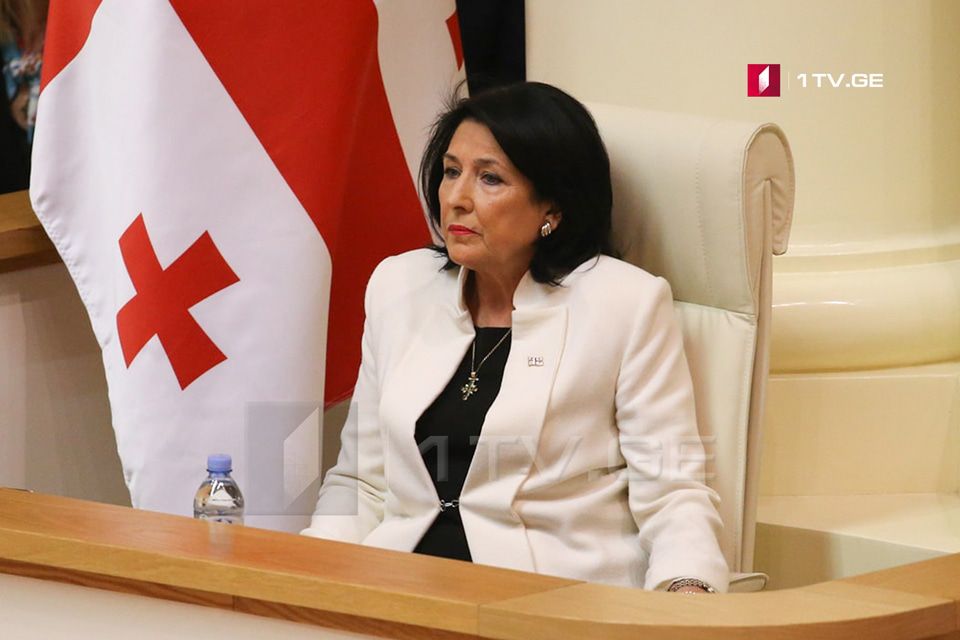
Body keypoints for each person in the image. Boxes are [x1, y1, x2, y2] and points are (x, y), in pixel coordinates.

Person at [302, 82, 729, 593]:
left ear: (552, 208)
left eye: (490, 178)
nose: (456, 199)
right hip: (401, 590)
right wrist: (306, 580)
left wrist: (687, 588)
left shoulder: (626, 304)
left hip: (546, 598)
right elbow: (360, 483)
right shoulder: (399, 286)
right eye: (452, 171)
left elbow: (672, 491)